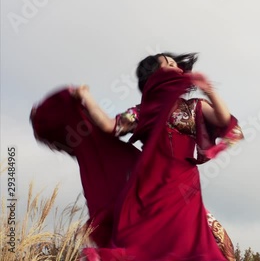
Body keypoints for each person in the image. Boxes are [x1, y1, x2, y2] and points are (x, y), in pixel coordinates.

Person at [30, 52, 243, 261]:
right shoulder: (142, 112)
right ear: (154, 74)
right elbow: (109, 126)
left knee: (210, 242)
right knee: (154, 241)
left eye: (175, 64)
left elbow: (224, 120)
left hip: (183, 183)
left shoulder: (194, 106)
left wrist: (209, 91)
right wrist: (87, 98)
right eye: (167, 64)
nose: (176, 67)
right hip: (148, 186)